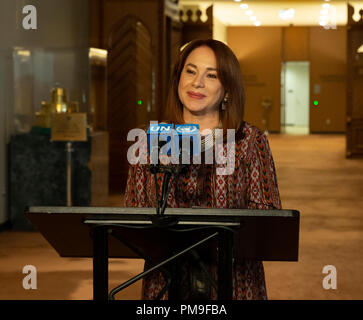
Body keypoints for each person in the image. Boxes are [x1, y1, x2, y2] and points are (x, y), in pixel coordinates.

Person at [124, 39, 281, 300]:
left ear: (227, 89)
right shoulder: (148, 139)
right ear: (178, 79)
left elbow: (266, 220)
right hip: (166, 282)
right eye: (190, 71)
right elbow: (133, 215)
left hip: (233, 283)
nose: (197, 82)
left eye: (211, 75)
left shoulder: (249, 140)